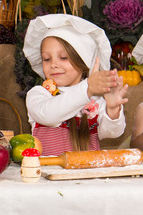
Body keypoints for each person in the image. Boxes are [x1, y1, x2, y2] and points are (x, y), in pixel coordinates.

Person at [23, 14, 129, 156]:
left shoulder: (95, 101)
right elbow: (49, 115)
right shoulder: (39, 94)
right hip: (48, 175)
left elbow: (112, 132)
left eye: (63, 57)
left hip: (87, 176)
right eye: (46, 59)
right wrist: (88, 88)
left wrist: (113, 108)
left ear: (84, 61)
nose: (53, 64)